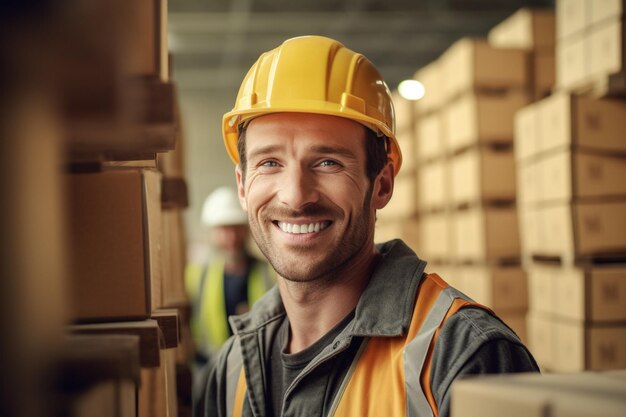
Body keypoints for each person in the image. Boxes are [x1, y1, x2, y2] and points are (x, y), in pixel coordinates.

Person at [205, 35, 539, 417]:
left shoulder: (462, 359)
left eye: (328, 162)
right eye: (269, 163)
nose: (296, 197)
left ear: (382, 184)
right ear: (243, 187)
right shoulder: (232, 368)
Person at [185, 186, 273, 413]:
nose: (232, 238)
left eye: (236, 229)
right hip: (209, 368)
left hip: (257, 368)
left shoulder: (267, 272)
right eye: (225, 230)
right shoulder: (197, 275)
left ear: (246, 230)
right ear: (213, 233)